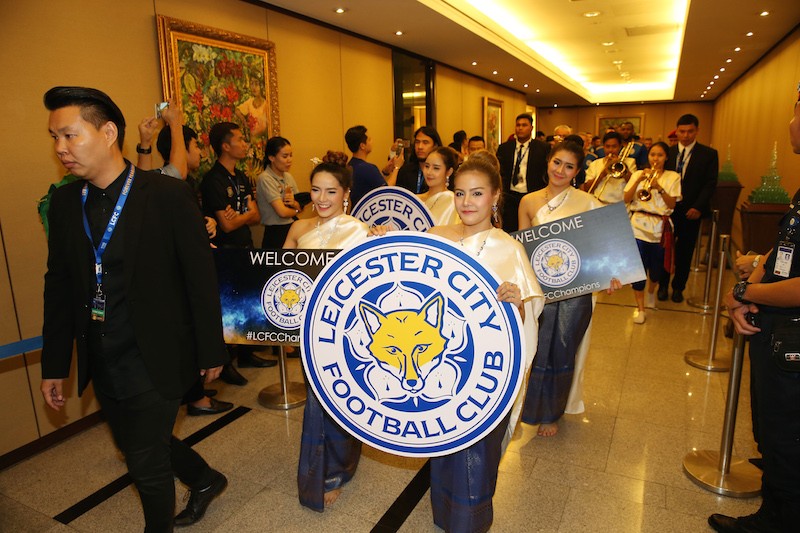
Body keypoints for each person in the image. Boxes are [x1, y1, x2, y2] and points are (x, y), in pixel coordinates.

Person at [40, 86, 228, 531]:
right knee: (136, 442)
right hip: (103, 355)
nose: (61, 148)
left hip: (157, 353)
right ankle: (205, 479)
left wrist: (211, 349)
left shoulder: (165, 195)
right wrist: (55, 365)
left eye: (69, 135)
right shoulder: (66, 203)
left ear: (107, 133)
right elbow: (59, 285)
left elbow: (199, 278)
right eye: (54, 138)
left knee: (145, 462)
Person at [427, 153, 544, 533]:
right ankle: (443, 511)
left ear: (495, 196)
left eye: (477, 193)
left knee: (477, 448)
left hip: (484, 370)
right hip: (437, 363)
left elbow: (529, 315)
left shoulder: (508, 248)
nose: (467, 202)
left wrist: (517, 303)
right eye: (460, 193)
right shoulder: (436, 236)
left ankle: (469, 522)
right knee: (442, 438)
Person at [707, 96, 800, 533]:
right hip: (775, 329)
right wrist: (750, 289)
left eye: (796, 112)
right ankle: (776, 493)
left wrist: (743, 291)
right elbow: (785, 254)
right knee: (771, 428)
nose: (791, 122)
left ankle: (778, 519)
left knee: (787, 433)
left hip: (792, 339)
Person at [285, 155, 376, 511]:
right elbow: (281, 278)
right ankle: (323, 466)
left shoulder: (361, 231)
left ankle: (336, 470)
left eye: (331, 191)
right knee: (316, 401)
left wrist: (379, 240)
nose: (322, 199)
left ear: (346, 194)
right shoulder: (298, 228)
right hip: (306, 328)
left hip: (343, 330)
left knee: (338, 397)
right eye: (316, 190)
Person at [519, 141, 622, 437]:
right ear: (548, 161)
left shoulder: (588, 202)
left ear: (577, 172)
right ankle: (529, 408)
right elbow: (523, 248)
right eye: (557, 162)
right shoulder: (528, 201)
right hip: (540, 288)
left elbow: (606, 244)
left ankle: (552, 413)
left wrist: (612, 274)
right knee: (536, 348)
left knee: (563, 350)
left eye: (569, 167)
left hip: (576, 291)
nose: (560, 171)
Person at [202, 122, 275, 382]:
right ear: (225, 146)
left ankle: (246, 353)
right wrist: (243, 215)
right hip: (225, 251)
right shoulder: (213, 180)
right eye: (240, 140)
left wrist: (241, 215)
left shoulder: (241, 176)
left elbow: (256, 216)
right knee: (229, 309)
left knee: (247, 302)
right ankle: (226, 363)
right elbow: (226, 224)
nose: (246, 144)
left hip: (245, 246)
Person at [660, 114, 718, 303]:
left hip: (691, 211)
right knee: (665, 249)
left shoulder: (708, 154)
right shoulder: (667, 153)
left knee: (685, 252)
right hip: (668, 211)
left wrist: (698, 207)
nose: (685, 135)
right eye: (682, 131)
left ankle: (678, 287)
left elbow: (710, 184)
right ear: (676, 131)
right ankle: (662, 286)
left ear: (697, 131)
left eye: (690, 131)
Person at [623, 142, 681, 324]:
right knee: (638, 270)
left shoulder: (673, 177)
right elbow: (626, 198)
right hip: (638, 226)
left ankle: (650, 292)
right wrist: (638, 180)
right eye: (652, 154)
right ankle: (640, 308)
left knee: (656, 270)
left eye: (660, 155)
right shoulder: (639, 174)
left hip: (660, 228)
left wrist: (659, 187)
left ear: (666, 157)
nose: (655, 159)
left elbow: (672, 204)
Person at [495, 113, 548, 233]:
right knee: (510, 229)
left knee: (531, 229)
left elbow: (545, 173)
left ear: (531, 128)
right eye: (518, 125)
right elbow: (500, 172)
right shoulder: (504, 148)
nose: (520, 128)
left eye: (524, 125)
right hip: (510, 197)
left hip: (532, 194)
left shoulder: (542, 148)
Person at [256, 136, 302, 249]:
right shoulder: (265, 178)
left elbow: (300, 204)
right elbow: (282, 212)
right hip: (275, 232)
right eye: (285, 156)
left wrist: (295, 205)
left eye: (291, 155)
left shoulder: (288, 176)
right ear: (271, 157)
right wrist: (296, 210)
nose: (289, 160)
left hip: (291, 227)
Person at [345, 125, 395, 208]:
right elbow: (386, 192)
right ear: (362, 146)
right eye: (369, 139)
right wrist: (397, 167)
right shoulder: (368, 168)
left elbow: (370, 184)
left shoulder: (350, 166)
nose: (372, 142)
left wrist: (384, 173)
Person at [583, 131, 636, 204]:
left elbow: (634, 185)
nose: (611, 150)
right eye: (607, 146)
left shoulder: (630, 162)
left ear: (620, 147)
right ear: (603, 147)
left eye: (614, 146)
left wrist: (621, 167)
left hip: (621, 205)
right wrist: (603, 173)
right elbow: (587, 189)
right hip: (599, 203)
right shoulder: (595, 164)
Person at [417, 146, 460, 225]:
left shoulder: (451, 200)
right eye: (427, 166)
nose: (429, 172)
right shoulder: (416, 199)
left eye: (436, 168)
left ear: (449, 172)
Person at [396, 126, 442, 194]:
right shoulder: (405, 171)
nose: (420, 147)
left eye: (425, 142)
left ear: (435, 146)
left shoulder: (442, 171)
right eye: (417, 142)